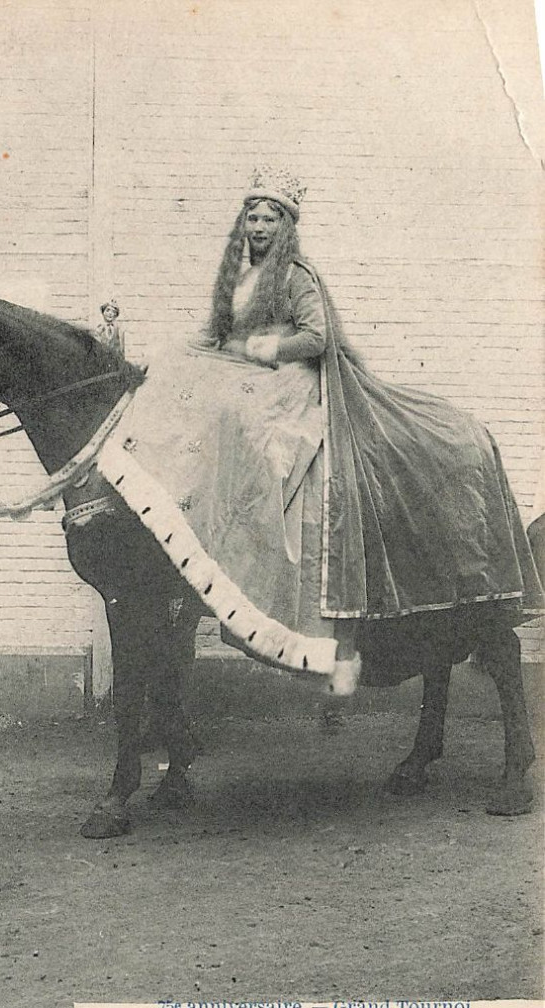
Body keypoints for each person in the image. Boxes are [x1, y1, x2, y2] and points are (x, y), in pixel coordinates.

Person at [97, 166, 542, 688]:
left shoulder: (296, 276)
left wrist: (270, 348)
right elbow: (218, 336)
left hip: (293, 384)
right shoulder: (239, 279)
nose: (259, 227)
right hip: (249, 379)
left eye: (269, 219)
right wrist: (163, 360)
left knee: (267, 448)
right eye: (252, 217)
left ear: (285, 226)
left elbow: (318, 337)